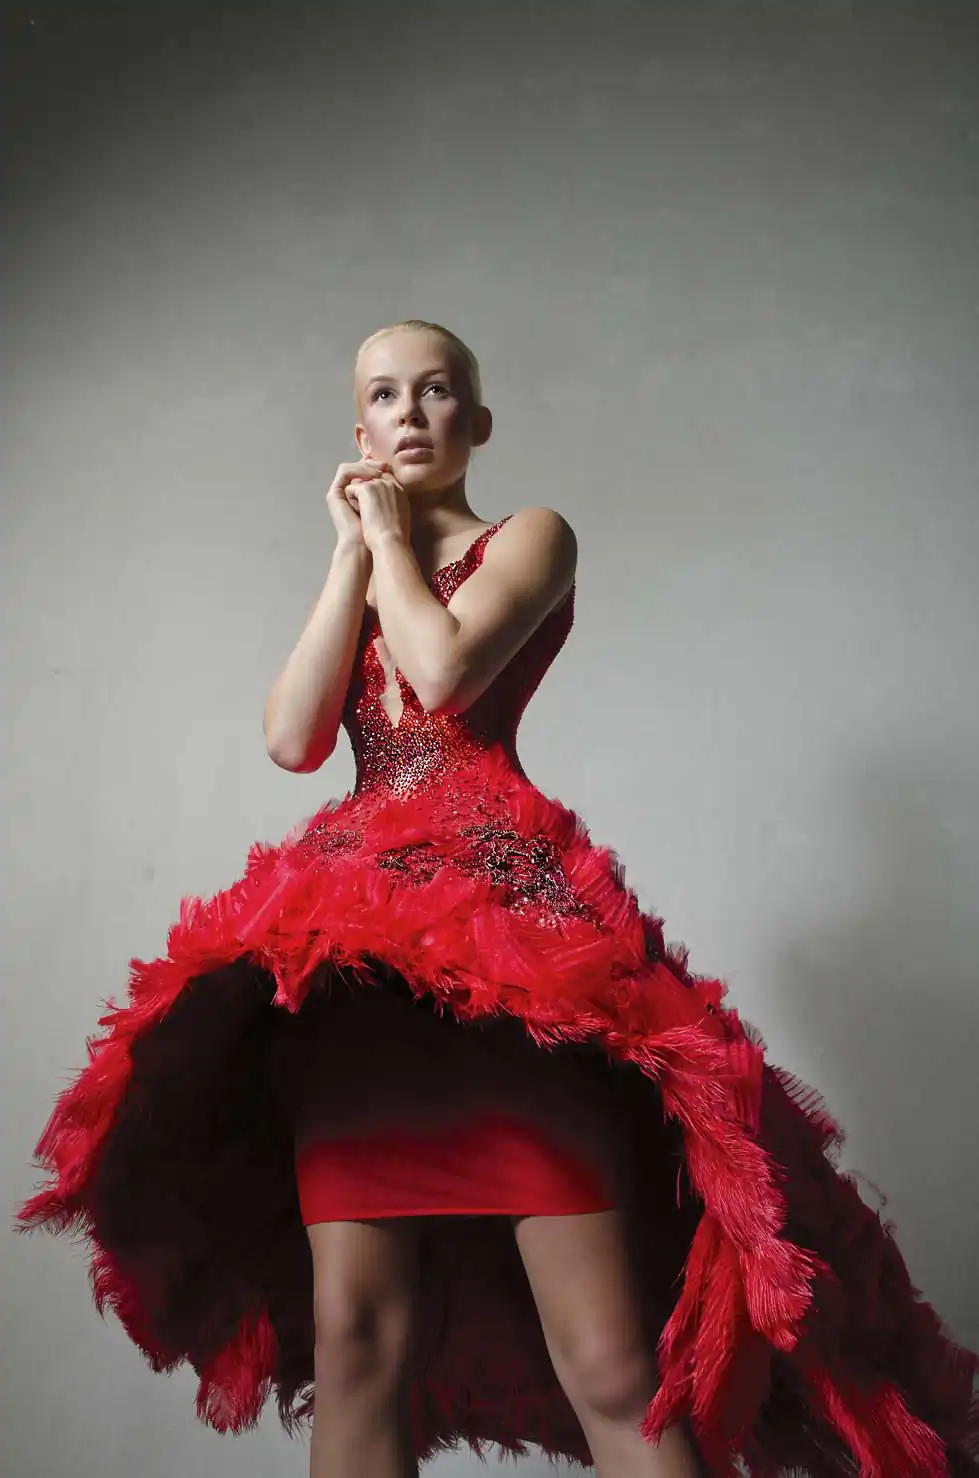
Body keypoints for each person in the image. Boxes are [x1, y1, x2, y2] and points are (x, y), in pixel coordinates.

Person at [16, 320, 977, 1478]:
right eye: (384, 395)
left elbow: (440, 673)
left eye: (436, 391)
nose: (410, 413)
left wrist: (388, 538)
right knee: (358, 1344)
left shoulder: (531, 536)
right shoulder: (364, 561)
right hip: (360, 986)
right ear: (358, 427)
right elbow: (292, 738)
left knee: (609, 1360)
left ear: (476, 421)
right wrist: (348, 554)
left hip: (511, 954)